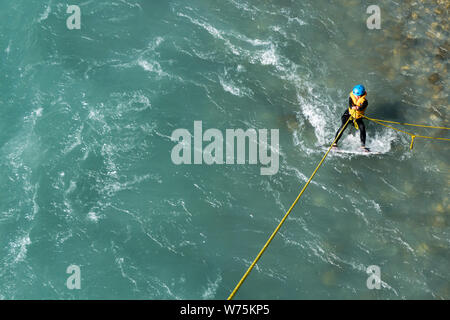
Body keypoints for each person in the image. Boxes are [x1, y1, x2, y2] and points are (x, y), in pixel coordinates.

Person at [332, 84, 370, 152]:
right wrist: (352, 107)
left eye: (359, 96)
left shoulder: (365, 102)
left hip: (357, 118)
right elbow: (350, 104)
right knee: (344, 126)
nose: (358, 97)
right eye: (356, 95)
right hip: (348, 115)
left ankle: (363, 146)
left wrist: (359, 108)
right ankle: (334, 144)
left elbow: (362, 107)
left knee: (362, 128)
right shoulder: (351, 98)